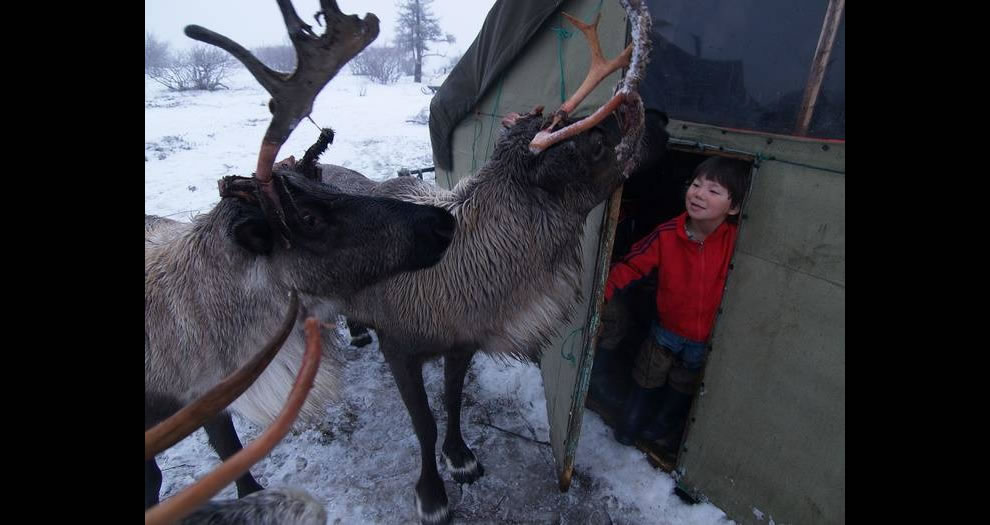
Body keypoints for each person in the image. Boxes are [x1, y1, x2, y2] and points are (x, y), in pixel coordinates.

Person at [602, 156, 751, 455]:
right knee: (647, 375)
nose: (698, 193)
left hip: (704, 339)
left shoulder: (735, 241)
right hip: (665, 331)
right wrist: (601, 293)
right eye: (695, 185)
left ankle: (663, 424)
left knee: (683, 384)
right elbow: (631, 265)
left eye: (713, 191)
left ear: (733, 208)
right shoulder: (668, 234)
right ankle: (630, 423)